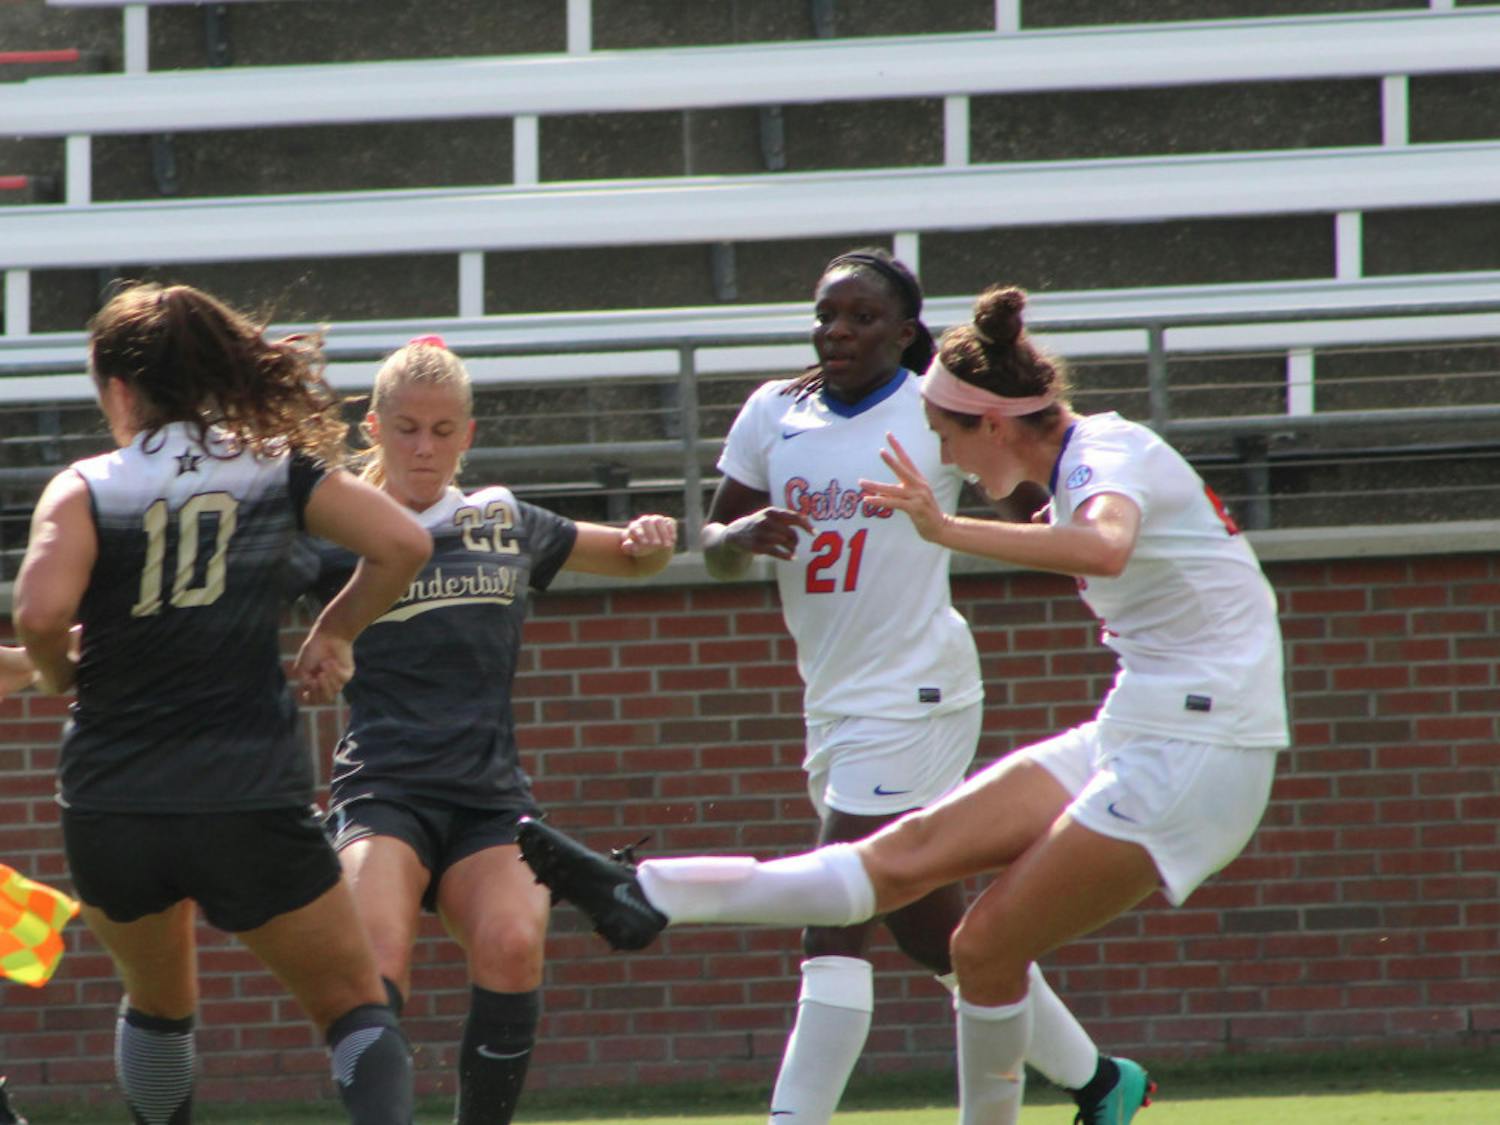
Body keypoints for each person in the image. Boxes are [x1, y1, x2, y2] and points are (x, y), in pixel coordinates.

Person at [518, 283, 1289, 1125]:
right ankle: (646, 888)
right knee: (904, 878)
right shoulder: (1062, 460)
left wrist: (944, 529)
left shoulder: (1105, 451)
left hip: (1202, 748)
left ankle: (656, 903)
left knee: (975, 944)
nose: (948, 458)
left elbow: (1106, 546)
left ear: (992, 422)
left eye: (950, 435)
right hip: (1137, 723)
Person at [697, 248, 1103, 1124]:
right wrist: (737, 533)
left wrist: (1072, 521)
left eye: (862, 317)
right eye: (826, 315)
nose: (838, 331)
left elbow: (1024, 495)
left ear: (906, 331)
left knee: (833, 909)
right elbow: (710, 534)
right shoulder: (774, 411)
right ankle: (1102, 1082)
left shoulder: (931, 412)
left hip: (918, 690)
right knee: (931, 931)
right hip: (835, 696)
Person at [12, 282, 432, 1125]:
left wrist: (56, 673)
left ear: (121, 389)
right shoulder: (274, 468)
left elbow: (40, 612)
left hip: (112, 800)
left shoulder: (88, 484)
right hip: (247, 795)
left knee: (159, 1004)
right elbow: (403, 541)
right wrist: (335, 629)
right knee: (353, 1001)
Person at [303, 336, 678, 1125]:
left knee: (513, 943)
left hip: (488, 799)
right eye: (405, 427)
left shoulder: (503, 519)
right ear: (372, 426)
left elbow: (631, 560)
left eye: (443, 430)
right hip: (383, 791)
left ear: (468, 435)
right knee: (373, 965)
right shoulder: (335, 526)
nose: (424, 447)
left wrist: (651, 536)